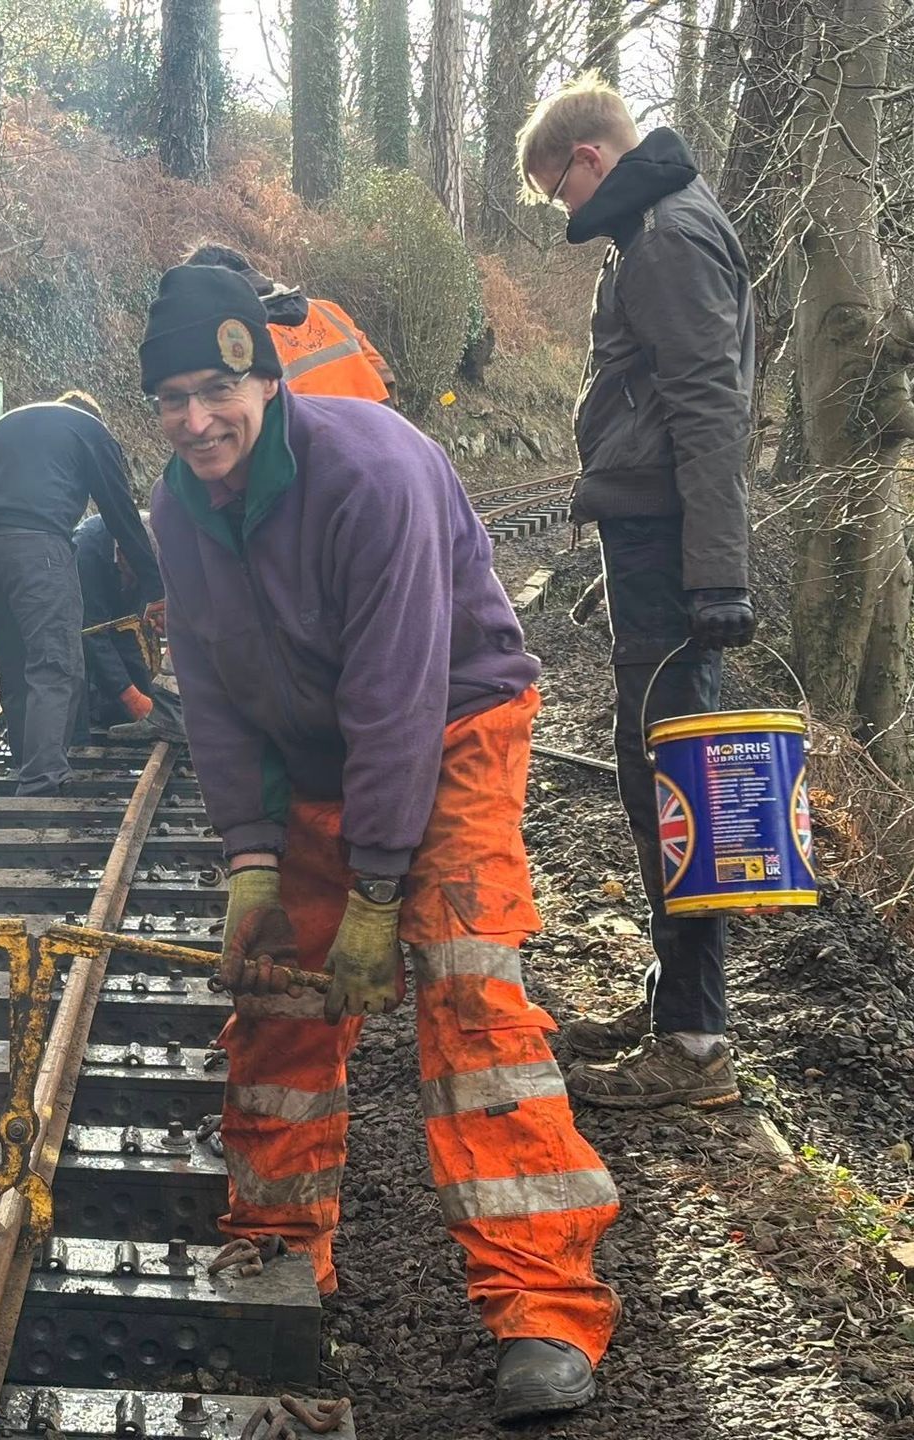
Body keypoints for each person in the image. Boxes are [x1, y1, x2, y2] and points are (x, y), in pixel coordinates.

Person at [141, 263, 620, 1421]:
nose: (197, 420)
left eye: (216, 390)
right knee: (279, 992)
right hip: (310, 751)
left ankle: (544, 1305)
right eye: (172, 399)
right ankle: (275, 1248)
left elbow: (397, 697)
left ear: (265, 381)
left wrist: (376, 890)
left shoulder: (368, 473)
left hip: (451, 730)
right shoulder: (178, 506)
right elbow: (211, 693)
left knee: (467, 992)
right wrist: (251, 863)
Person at [518, 75, 755, 1109]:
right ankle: (676, 1006)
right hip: (656, 534)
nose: (563, 212)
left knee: (673, 781)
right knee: (655, 770)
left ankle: (697, 1042)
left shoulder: (663, 236)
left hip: (668, 546)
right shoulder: (654, 227)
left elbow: (710, 408)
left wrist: (718, 575)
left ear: (591, 160)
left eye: (557, 192)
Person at [0, 391, 159, 793]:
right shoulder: (91, 430)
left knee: (16, 663)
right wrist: (156, 588)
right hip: (37, 545)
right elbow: (120, 513)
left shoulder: (12, 424)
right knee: (55, 661)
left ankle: (25, 760)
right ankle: (42, 778)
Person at [183, 241, 393, 402]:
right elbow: (381, 370)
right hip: (383, 424)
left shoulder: (241, 339)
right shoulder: (326, 309)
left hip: (322, 441)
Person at [72, 511, 158, 730]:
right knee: (84, 668)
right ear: (121, 555)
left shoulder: (148, 552)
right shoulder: (86, 551)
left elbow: (127, 629)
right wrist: (131, 698)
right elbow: (92, 633)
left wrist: (147, 697)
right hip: (77, 624)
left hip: (115, 600)